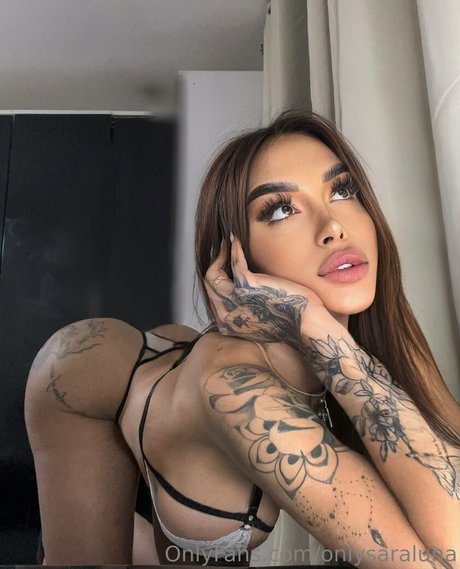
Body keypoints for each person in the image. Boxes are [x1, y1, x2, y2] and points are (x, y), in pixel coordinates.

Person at [25, 110, 459, 568]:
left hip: (183, 404)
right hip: (87, 379)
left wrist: (329, 335)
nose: (333, 226)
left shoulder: (385, 336)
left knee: (184, 539)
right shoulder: (237, 390)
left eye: (342, 190)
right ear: (236, 257)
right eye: (281, 209)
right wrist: (314, 324)